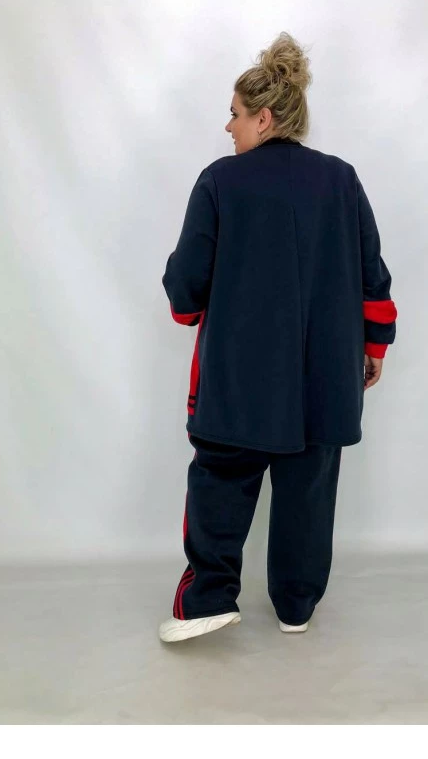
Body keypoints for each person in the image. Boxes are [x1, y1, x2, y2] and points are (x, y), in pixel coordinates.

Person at [158, 32, 397, 643]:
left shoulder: (220, 181)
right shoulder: (342, 180)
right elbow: (373, 274)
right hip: (326, 375)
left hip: (239, 376)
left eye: (235, 114)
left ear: (263, 118)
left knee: (219, 481)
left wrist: (186, 309)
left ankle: (209, 599)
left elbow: (187, 281)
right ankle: (296, 607)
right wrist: (373, 347)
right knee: (308, 492)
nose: (228, 126)